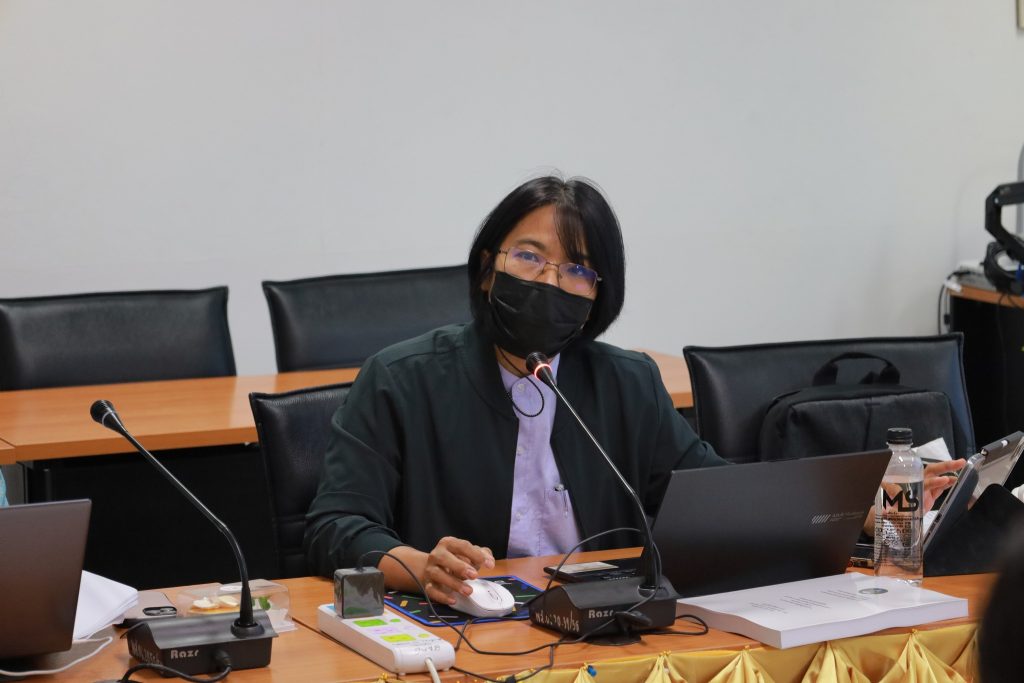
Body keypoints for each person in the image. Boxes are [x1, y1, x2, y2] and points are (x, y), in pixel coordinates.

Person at [304, 175, 728, 606]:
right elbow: (335, 525)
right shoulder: (399, 380)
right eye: (529, 256)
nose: (548, 281)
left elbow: (719, 501)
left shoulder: (630, 383)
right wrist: (421, 568)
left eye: (577, 269)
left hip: (603, 617)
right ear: (488, 270)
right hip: (461, 622)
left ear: (596, 297)